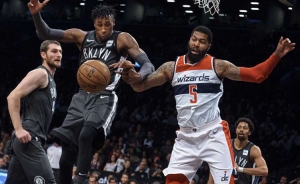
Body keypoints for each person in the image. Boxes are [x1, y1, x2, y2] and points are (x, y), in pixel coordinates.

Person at [112, 26, 295, 184]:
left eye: (201, 41)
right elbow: (141, 86)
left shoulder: (218, 66)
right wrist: (128, 75)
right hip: (185, 137)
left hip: (213, 134)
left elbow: (257, 75)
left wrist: (277, 55)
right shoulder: (172, 67)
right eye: (193, 39)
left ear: (208, 46)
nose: (196, 44)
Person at [27, 0, 154, 184]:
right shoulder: (82, 36)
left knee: (86, 134)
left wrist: (138, 74)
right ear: (94, 23)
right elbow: (46, 33)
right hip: (80, 97)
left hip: (104, 96)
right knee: (66, 154)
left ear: (114, 23)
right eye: (99, 24)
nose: (104, 29)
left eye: (108, 24)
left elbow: (148, 65)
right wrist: (36, 15)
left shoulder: (123, 39)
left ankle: (81, 179)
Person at [5, 40, 62, 184]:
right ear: (43, 54)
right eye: (54, 51)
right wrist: (18, 129)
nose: (58, 55)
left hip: (29, 140)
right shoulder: (40, 73)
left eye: (60, 51)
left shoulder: (51, 79)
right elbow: (13, 96)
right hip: (29, 137)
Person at [208, 117, 268, 184]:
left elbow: (264, 171)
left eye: (245, 128)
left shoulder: (253, 150)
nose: (241, 130)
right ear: (236, 130)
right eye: (239, 127)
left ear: (249, 132)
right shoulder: (226, 145)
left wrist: (239, 169)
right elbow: (214, 167)